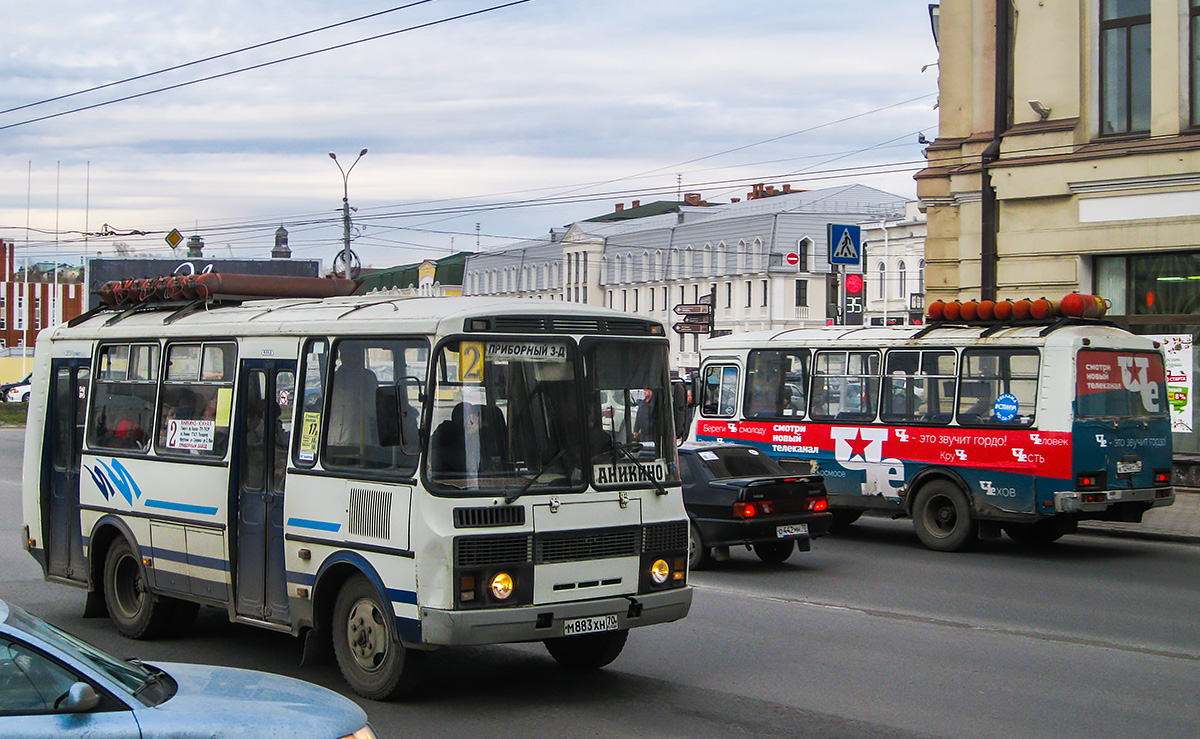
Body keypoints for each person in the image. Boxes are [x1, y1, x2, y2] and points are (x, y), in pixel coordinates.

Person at [327, 344, 379, 453]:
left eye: (350, 353)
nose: (346, 357)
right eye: (343, 353)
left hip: (357, 440)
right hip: (332, 439)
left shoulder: (367, 377)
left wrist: (360, 399)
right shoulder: (334, 377)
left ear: (359, 355)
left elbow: (373, 409)